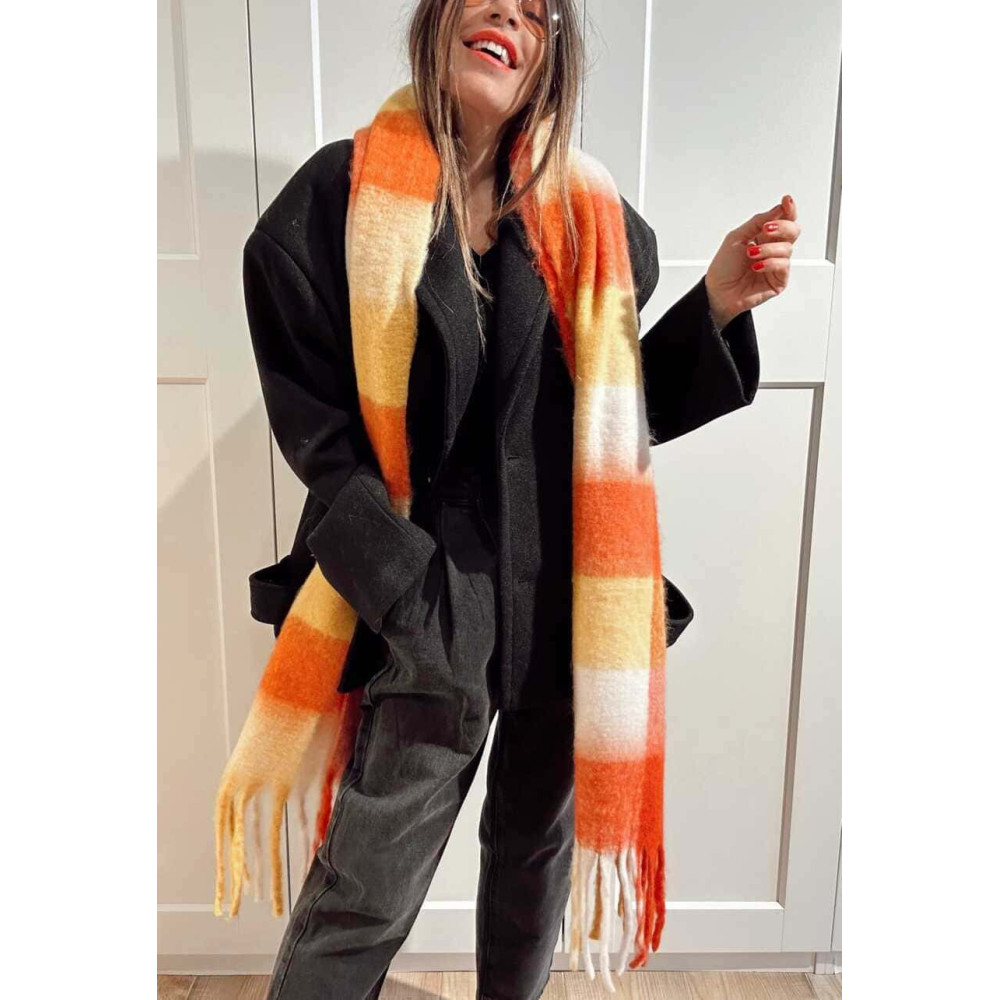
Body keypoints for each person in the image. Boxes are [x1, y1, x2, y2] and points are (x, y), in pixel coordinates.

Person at [241, 2, 795, 997]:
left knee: (532, 872)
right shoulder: (334, 202)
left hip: (564, 605)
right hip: (423, 607)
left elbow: (616, 419)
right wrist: (409, 596)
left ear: (551, 55)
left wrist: (716, 301)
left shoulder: (595, 219)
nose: (508, 11)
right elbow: (318, 435)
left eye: (538, 11)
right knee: (366, 886)